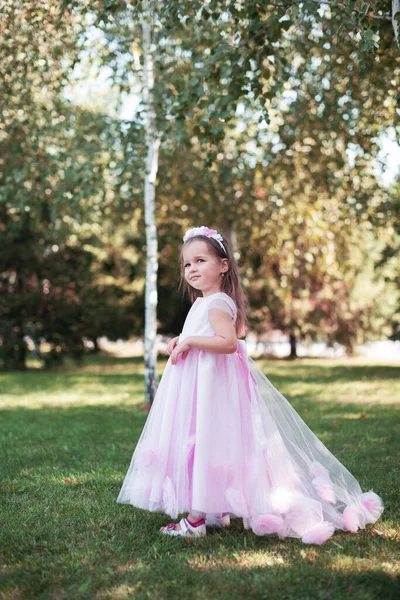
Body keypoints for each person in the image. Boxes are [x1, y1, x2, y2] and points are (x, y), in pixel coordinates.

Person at [116, 225, 384, 544]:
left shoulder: (216, 302)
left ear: (224, 265)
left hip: (209, 388)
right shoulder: (208, 302)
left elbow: (228, 343)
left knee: (204, 441)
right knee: (208, 442)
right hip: (205, 386)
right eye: (187, 264)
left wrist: (190, 343)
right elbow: (214, 336)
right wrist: (184, 339)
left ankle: (195, 520)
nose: (192, 269)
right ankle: (214, 508)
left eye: (201, 260)